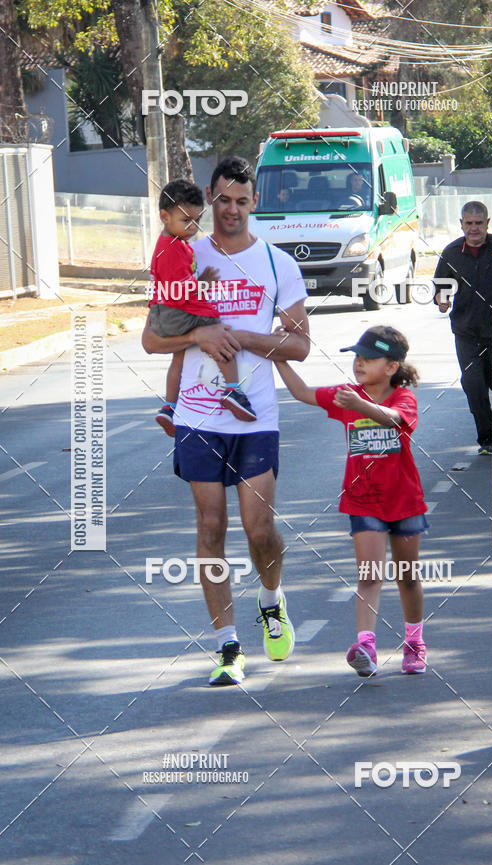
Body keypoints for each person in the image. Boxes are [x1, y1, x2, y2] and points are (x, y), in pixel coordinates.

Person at [142, 156, 310, 687]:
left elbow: (300, 345)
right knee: (210, 528)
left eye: (242, 200)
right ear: (209, 200)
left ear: (253, 202)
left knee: (259, 530)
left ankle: (270, 599)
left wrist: (240, 337)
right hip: (197, 415)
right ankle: (227, 646)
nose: (232, 209)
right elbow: (151, 339)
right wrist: (197, 336)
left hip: (254, 415)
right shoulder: (183, 253)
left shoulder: (279, 264)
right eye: (223, 200)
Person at [275, 325, 428, 677]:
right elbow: (301, 392)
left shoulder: (402, 397)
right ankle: (366, 646)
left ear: (391, 367)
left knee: (407, 576)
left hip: (404, 500)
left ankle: (415, 642)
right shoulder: (346, 394)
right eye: (357, 357)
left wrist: (362, 405)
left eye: (369, 358)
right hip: (363, 500)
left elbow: (396, 420)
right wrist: (278, 358)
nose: (359, 363)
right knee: (369, 575)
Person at [148, 179, 257, 434]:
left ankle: (169, 406)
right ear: (165, 217)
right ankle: (233, 389)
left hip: (161, 314)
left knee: (179, 357)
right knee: (220, 335)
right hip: (174, 311)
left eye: (197, 220)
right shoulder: (174, 249)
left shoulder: (172, 243)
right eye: (186, 221)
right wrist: (203, 284)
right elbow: (178, 292)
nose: (193, 228)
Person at [433, 201, 492, 454]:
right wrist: (442, 300)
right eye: (468, 223)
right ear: (461, 224)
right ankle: (487, 440)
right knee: (474, 386)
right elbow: (440, 287)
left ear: (487, 223)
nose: (473, 229)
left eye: (478, 223)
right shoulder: (452, 252)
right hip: (466, 330)